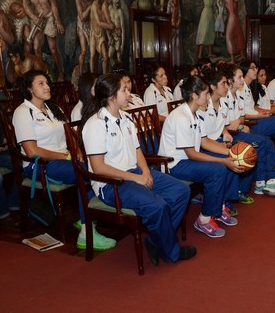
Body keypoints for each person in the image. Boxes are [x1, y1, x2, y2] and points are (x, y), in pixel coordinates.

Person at [80, 72, 196, 265]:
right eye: (124, 89)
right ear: (111, 97)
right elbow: (99, 167)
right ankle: (171, 253)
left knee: (181, 190)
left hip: (134, 174)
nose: (129, 93)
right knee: (157, 206)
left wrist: (146, 172)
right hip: (111, 184)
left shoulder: (126, 118)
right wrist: (137, 178)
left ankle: (155, 240)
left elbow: (137, 150)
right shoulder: (96, 125)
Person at [12, 70, 115, 250]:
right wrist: (63, 155)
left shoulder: (54, 108)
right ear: (29, 89)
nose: (47, 87)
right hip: (40, 165)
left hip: (63, 159)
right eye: (41, 84)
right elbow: (31, 151)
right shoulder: (23, 112)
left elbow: (70, 135)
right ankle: (85, 232)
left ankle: (88, 218)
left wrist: (77, 151)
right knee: (87, 173)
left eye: (47, 82)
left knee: (96, 166)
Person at [158, 76, 239, 238]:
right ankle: (204, 219)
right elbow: (192, 153)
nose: (208, 97)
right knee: (217, 170)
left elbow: (205, 142)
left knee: (226, 162)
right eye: (205, 94)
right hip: (173, 164)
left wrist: (231, 153)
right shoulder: (181, 117)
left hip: (187, 160)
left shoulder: (196, 113)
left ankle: (218, 207)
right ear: (194, 96)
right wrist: (223, 160)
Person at [206, 69, 275, 199]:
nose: (242, 80)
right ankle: (258, 184)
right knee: (260, 143)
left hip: (234, 133)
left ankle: (269, 181)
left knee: (266, 141)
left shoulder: (232, 98)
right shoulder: (215, 101)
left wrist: (238, 123)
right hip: (225, 137)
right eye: (239, 77)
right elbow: (225, 125)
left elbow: (239, 118)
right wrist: (234, 126)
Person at [221, 63, 275, 177]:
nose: (242, 80)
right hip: (250, 125)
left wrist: (241, 122)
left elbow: (242, 116)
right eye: (240, 77)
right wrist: (260, 116)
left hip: (248, 124)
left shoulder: (240, 93)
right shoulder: (226, 96)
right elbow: (235, 122)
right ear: (230, 80)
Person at [22, 0, 65, 80]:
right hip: (37, 19)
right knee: (36, 49)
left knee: (53, 50)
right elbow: (26, 5)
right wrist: (33, 17)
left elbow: (53, 4)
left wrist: (57, 20)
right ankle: (42, 74)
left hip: (49, 17)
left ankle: (60, 72)